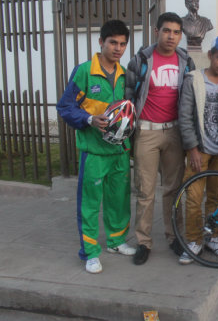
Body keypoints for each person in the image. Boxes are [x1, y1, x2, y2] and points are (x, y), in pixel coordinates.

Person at [56, 20, 135, 274]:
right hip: (94, 153)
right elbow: (66, 107)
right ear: (101, 42)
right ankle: (89, 252)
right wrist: (89, 119)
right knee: (90, 204)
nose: (118, 48)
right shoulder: (84, 72)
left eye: (123, 44)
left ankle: (116, 241)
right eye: (113, 42)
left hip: (120, 152)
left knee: (119, 201)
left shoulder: (124, 74)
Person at [125, 12, 195, 265]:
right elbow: (129, 95)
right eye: (167, 31)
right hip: (147, 132)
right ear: (157, 31)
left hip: (174, 132)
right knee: (145, 191)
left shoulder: (186, 61)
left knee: (173, 190)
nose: (172, 36)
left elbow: (191, 100)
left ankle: (174, 236)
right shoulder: (142, 59)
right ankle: (143, 241)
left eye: (177, 32)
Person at [177, 35, 218, 264]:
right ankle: (193, 240)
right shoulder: (193, 79)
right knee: (193, 197)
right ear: (210, 55)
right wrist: (192, 148)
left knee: (215, 196)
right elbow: (184, 117)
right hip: (200, 149)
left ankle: (212, 236)